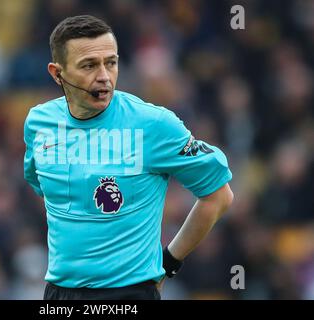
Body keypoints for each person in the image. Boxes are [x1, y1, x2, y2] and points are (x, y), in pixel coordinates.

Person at [23, 15, 234, 300]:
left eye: (111, 62)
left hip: (128, 294)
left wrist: (169, 261)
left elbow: (218, 195)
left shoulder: (153, 124)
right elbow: (46, 189)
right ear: (57, 73)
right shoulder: (39, 123)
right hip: (59, 294)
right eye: (89, 65)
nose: (104, 76)